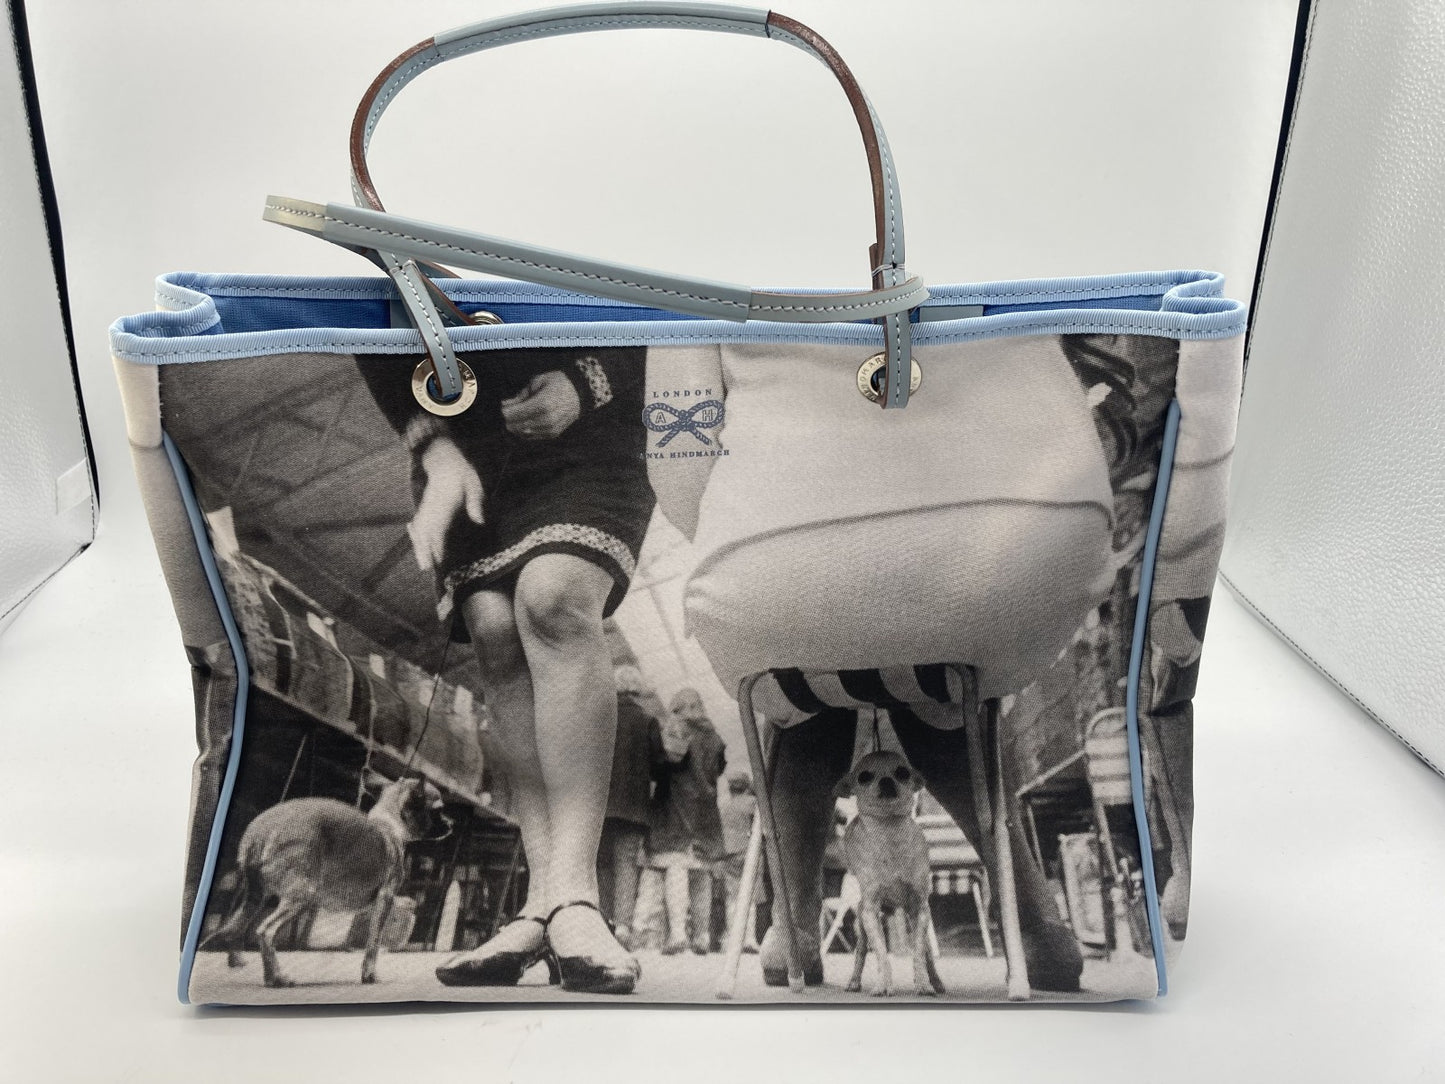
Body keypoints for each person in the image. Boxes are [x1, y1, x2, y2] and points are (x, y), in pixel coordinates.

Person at [360, 346, 654, 994]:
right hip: (463, 443)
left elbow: (671, 309)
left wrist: (588, 383)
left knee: (554, 598)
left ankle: (576, 897)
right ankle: (542, 902)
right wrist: (433, 450)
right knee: (495, 636)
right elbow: (366, 323)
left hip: (590, 427)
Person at [645, 688, 726, 955]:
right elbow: (719, 770)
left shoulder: (676, 730)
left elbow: (663, 766)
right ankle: (702, 936)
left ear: (677, 709)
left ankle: (678, 933)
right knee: (701, 872)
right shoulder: (714, 736)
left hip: (676, 809)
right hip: (706, 812)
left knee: (677, 869)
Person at [598, 665, 663, 950]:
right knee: (626, 863)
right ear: (637, 688)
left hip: (601, 807)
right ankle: (623, 927)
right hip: (634, 808)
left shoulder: (601, 717)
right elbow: (659, 766)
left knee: (602, 863)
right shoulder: (648, 721)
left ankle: (603, 922)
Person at [717, 771, 760, 953]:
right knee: (750, 897)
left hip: (729, 854)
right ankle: (749, 938)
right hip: (749, 852)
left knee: (732, 898)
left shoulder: (723, 805)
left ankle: (733, 938)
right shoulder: (752, 804)